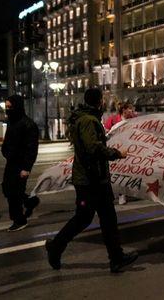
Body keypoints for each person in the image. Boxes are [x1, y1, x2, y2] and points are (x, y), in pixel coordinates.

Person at [45, 88, 138, 273]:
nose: (104, 102)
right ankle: (56, 246)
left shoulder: (87, 117)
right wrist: (117, 153)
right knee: (85, 218)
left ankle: (116, 258)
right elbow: (93, 148)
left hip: (94, 178)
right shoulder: (89, 120)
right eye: (102, 99)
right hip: (91, 180)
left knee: (106, 218)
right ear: (98, 101)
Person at [1, 95, 40, 231]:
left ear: (17, 106)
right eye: (6, 107)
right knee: (7, 188)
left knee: (15, 193)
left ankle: (19, 220)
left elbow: (32, 149)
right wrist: (5, 152)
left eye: (10, 107)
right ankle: (31, 201)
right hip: (11, 161)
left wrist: (26, 167)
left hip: (21, 164)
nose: (7, 110)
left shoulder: (28, 124)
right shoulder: (12, 122)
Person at [104, 101, 137, 205]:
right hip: (117, 150)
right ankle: (121, 194)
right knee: (119, 172)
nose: (132, 111)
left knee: (128, 171)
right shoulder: (113, 119)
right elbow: (106, 131)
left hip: (129, 149)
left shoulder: (134, 119)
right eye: (130, 109)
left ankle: (124, 192)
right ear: (124, 110)